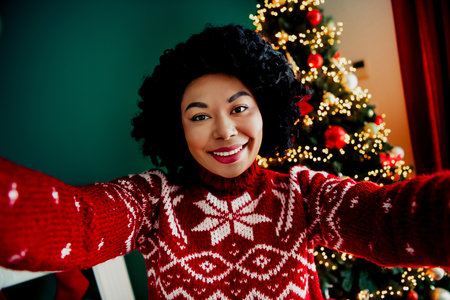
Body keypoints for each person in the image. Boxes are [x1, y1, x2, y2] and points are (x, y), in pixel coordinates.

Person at [0, 24, 449, 300]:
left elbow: (393, 222)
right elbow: (81, 223)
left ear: (265, 111)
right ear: (177, 128)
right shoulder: (153, 202)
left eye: (239, 108)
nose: (225, 131)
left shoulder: (304, 195)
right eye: (200, 116)